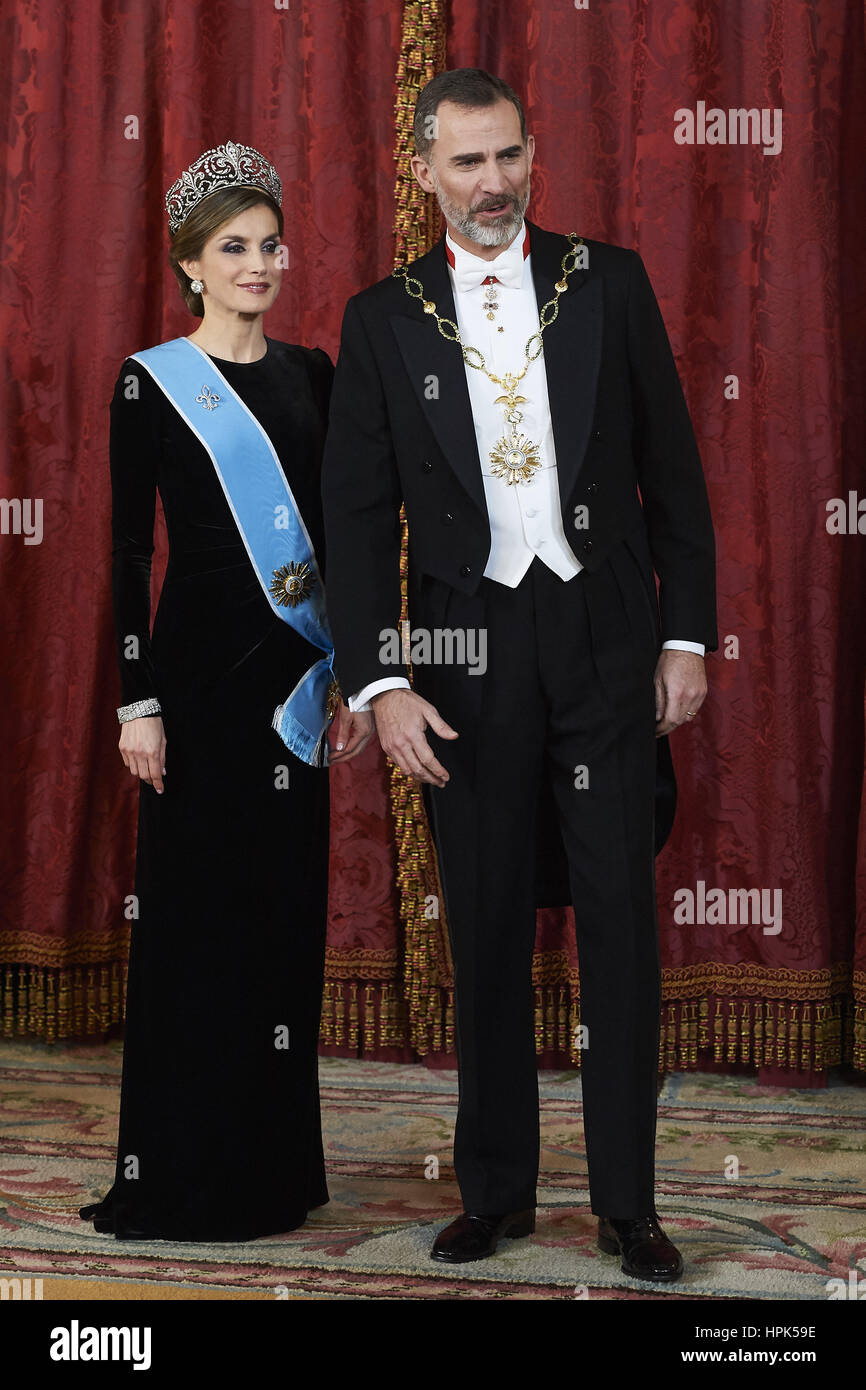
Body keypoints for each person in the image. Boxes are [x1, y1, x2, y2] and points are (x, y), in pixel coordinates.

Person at [321, 71, 716, 1280]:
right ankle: (492, 1192)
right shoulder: (380, 318)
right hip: (462, 658)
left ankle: (626, 1206)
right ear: (423, 172)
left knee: (618, 927)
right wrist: (381, 683)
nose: (490, 185)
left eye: (508, 159)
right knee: (483, 929)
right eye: (465, 164)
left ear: (531, 155)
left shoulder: (610, 281)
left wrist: (684, 637)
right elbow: (354, 515)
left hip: (601, 642)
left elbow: (675, 475)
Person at [79, 141, 373, 1242]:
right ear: (192, 266)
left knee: (276, 927)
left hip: (294, 688)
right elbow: (119, 555)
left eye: (270, 245)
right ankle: (181, 1174)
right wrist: (134, 702)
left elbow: (343, 538)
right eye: (234, 249)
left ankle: (269, 1170)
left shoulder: (313, 373)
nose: (260, 264)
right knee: (197, 934)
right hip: (196, 692)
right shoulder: (150, 378)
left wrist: (346, 670)